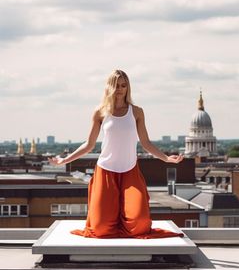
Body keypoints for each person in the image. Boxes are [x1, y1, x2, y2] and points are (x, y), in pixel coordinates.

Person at [49, 69, 184, 239]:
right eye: (116, 85)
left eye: (123, 85)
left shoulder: (136, 112)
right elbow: (89, 145)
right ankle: (115, 221)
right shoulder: (100, 112)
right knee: (100, 229)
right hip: (106, 171)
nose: (120, 89)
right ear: (109, 87)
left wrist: (166, 158)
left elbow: (146, 143)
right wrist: (64, 160)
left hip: (130, 172)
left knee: (140, 224)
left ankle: (122, 221)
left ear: (128, 87)